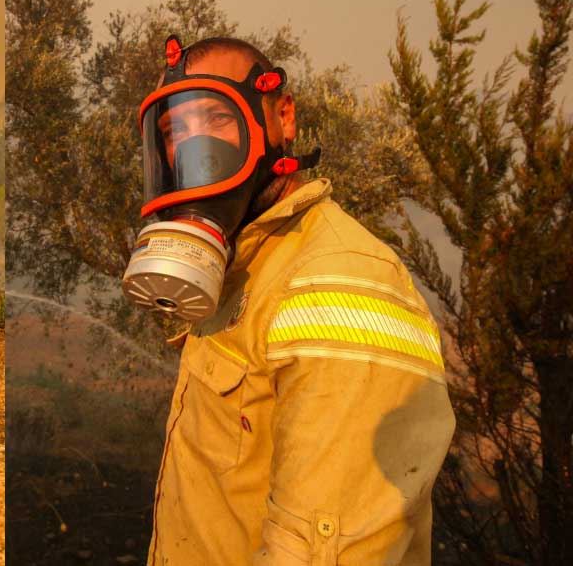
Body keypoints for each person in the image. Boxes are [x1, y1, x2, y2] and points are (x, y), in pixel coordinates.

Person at [125, 36, 455, 564]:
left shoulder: (338, 278)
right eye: (175, 131)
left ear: (283, 116)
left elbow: (324, 547)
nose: (193, 146)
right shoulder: (246, 267)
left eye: (214, 119)